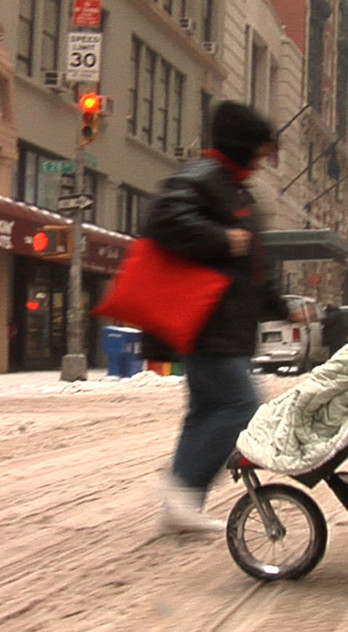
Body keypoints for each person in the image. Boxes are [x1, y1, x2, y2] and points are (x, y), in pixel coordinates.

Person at [144, 101, 305, 533]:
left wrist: (282, 307)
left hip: (225, 326)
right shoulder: (203, 178)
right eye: (260, 151)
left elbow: (251, 270)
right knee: (240, 407)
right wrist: (222, 238)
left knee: (205, 411)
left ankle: (181, 507)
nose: (263, 161)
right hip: (207, 324)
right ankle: (182, 490)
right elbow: (163, 219)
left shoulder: (236, 190)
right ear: (241, 145)